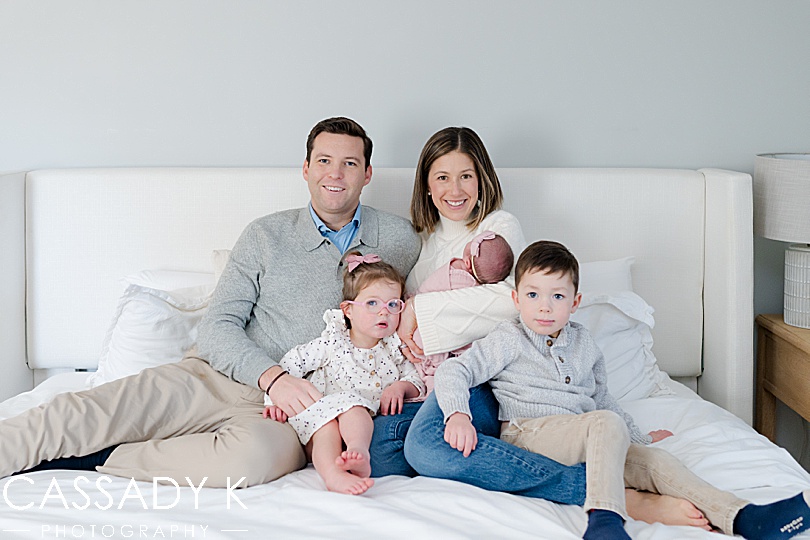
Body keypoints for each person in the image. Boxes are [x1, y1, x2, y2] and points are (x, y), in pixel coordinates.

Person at [0, 117, 422, 488]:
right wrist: (273, 377)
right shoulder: (266, 234)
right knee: (90, 410)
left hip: (294, 415)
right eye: (324, 161)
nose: (336, 174)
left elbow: (439, 288)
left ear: (367, 174)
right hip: (216, 375)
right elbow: (218, 325)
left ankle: (98, 458)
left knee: (249, 461)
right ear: (306, 169)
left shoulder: (399, 239)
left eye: (349, 163)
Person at [388, 126, 713, 530]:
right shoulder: (423, 243)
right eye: (442, 177)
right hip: (438, 380)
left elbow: (507, 304)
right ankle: (601, 480)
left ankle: (608, 493)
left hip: (493, 378)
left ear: (482, 179)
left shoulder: (498, 228)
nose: (455, 189)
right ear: (426, 185)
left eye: (466, 176)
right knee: (384, 452)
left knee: (425, 447)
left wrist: (423, 306)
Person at [435, 239, 810, 540]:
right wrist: (457, 413)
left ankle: (744, 517)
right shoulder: (507, 337)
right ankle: (605, 519)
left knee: (656, 462)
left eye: (557, 296)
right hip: (529, 434)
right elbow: (456, 369)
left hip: (586, 437)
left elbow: (602, 400)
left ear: (575, 303)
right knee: (603, 424)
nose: (544, 307)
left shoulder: (585, 344)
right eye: (533, 295)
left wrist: (638, 436)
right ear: (516, 299)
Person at [262, 253, 425, 495]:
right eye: (372, 304)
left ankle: (359, 454)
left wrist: (400, 387)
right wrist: (275, 400)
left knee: (356, 412)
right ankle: (332, 475)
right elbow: (291, 363)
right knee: (329, 428)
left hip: (359, 423)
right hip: (321, 415)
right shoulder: (333, 342)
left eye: (393, 305)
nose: (384, 313)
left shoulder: (393, 348)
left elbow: (416, 380)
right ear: (348, 310)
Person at [408, 231, 514, 395]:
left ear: (468, 263)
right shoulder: (457, 274)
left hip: (425, 330)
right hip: (420, 330)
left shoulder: (462, 277)